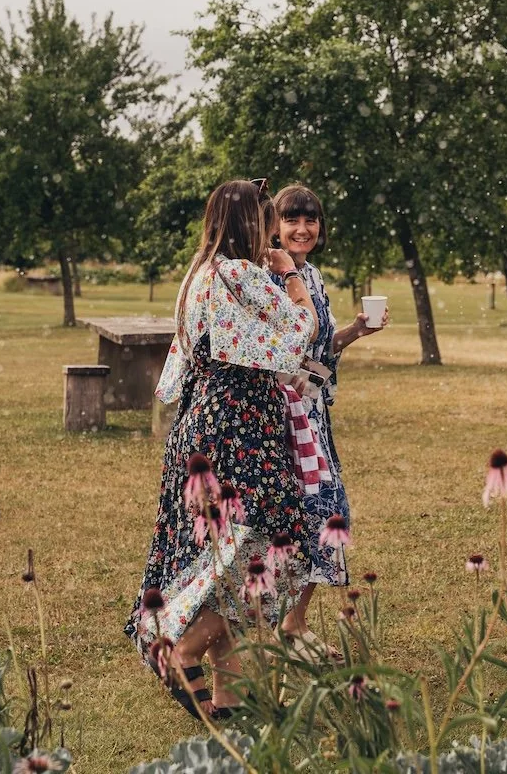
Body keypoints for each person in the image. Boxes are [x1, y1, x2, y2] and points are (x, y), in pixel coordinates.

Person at [125, 178, 318, 720]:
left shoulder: (198, 273)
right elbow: (301, 331)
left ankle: (227, 703)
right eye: (264, 219)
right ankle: (180, 648)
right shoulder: (241, 275)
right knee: (258, 552)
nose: (273, 230)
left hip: (202, 424)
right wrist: (291, 275)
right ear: (246, 225)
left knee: (221, 557)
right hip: (240, 425)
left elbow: (183, 362)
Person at [269, 183, 388, 657]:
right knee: (294, 517)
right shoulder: (267, 277)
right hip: (279, 417)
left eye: (310, 219)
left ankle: (292, 623)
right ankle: (272, 626)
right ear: (273, 226)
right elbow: (279, 351)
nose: (302, 229)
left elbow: (318, 347)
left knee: (326, 515)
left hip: (312, 412)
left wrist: (356, 331)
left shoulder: (312, 276)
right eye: (291, 220)